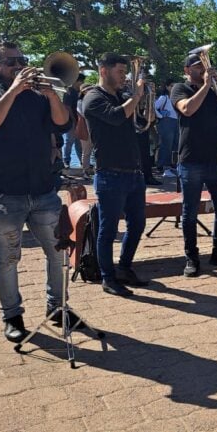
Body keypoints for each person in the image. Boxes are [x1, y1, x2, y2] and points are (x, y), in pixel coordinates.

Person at [0, 41, 72, 343]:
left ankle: (57, 309)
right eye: (12, 62)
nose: (19, 65)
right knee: (7, 258)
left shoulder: (39, 97)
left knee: (57, 253)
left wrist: (51, 94)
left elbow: (63, 123)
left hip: (42, 189)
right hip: (3, 192)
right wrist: (13, 90)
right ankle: (12, 316)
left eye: (22, 60)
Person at [82, 53, 149, 297]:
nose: (125, 77)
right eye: (120, 72)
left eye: (125, 72)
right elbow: (116, 117)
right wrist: (137, 95)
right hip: (110, 173)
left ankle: (125, 267)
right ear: (103, 71)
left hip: (133, 172)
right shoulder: (93, 98)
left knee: (138, 224)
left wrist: (140, 99)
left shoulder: (121, 96)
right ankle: (108, 278)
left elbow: (139, 121)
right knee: (108, 229)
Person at [171, 51, 217, 276]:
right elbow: (187, 109)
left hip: (216, 159)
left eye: (204, 64)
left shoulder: (214, 91)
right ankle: (191, 257)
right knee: (190, 212)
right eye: (197, 65)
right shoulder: (180, 89)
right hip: (191, 159)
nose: (203, 68)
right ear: (187, 70)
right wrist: (206, 86)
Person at [154, 78, 180, 179]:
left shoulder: (177, 97)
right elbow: (153, 106)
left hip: (176, 122)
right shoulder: (164, 97)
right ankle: (165, 167)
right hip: (166, 122)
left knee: (175, 144)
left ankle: (173, 166)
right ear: (167, 87)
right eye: (171, 86)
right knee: (166, 144)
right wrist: (160, 115)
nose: (173, 88)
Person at [62, 73, 86, 168]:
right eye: (81, 81)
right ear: (77, 81)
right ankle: (66, 161)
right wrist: (73, 120)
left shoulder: (79, 92)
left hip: (79, 120)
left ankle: (82, 161)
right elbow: (67, 107)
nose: (82, 83)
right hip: (71, 121)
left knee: (78, 142)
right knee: (69, 141)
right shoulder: (69, 91)